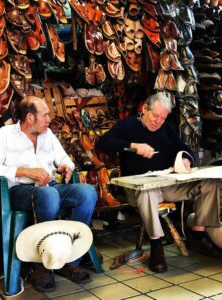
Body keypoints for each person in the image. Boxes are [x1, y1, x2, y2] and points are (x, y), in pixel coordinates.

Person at [0, 96, 97, 292]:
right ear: (30, 117)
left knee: (87, 192)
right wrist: (24, 171)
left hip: (49, 187)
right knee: (49, 196)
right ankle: (39, 267)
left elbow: (65, 159)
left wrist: (66, 167)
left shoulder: (48, 134)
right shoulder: (5, 135)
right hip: (21, 191)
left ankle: (69, 259)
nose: (49, 119)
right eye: (45, 115)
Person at [95, 92, 222, 273]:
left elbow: (184, 149)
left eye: (162, 118)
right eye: (155, 116)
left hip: (167, 182)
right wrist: (134, 146)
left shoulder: (167, 129)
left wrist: (186, 160)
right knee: (147, 192)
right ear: (144, 109)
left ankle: (198, 233)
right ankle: (156, 244)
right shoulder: (129, 125)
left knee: (210, 182)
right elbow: (104, 143)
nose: (158, 121)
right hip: (138, 186)